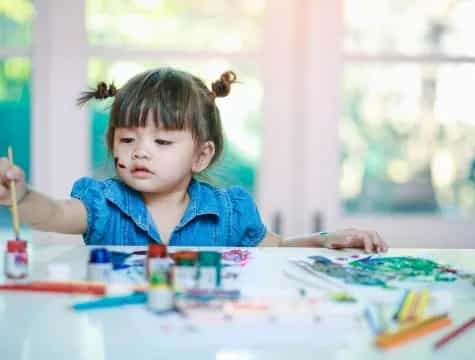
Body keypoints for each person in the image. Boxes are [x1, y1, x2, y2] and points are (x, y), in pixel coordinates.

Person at [0, 67, 387, 252]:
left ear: (201, 156)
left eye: (163, 141)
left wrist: (325, 241)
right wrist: (21, 195)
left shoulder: (228, 213)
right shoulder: (102, 204)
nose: (141, 150)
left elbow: (279, 252)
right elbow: (51, 214)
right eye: (128, 138)